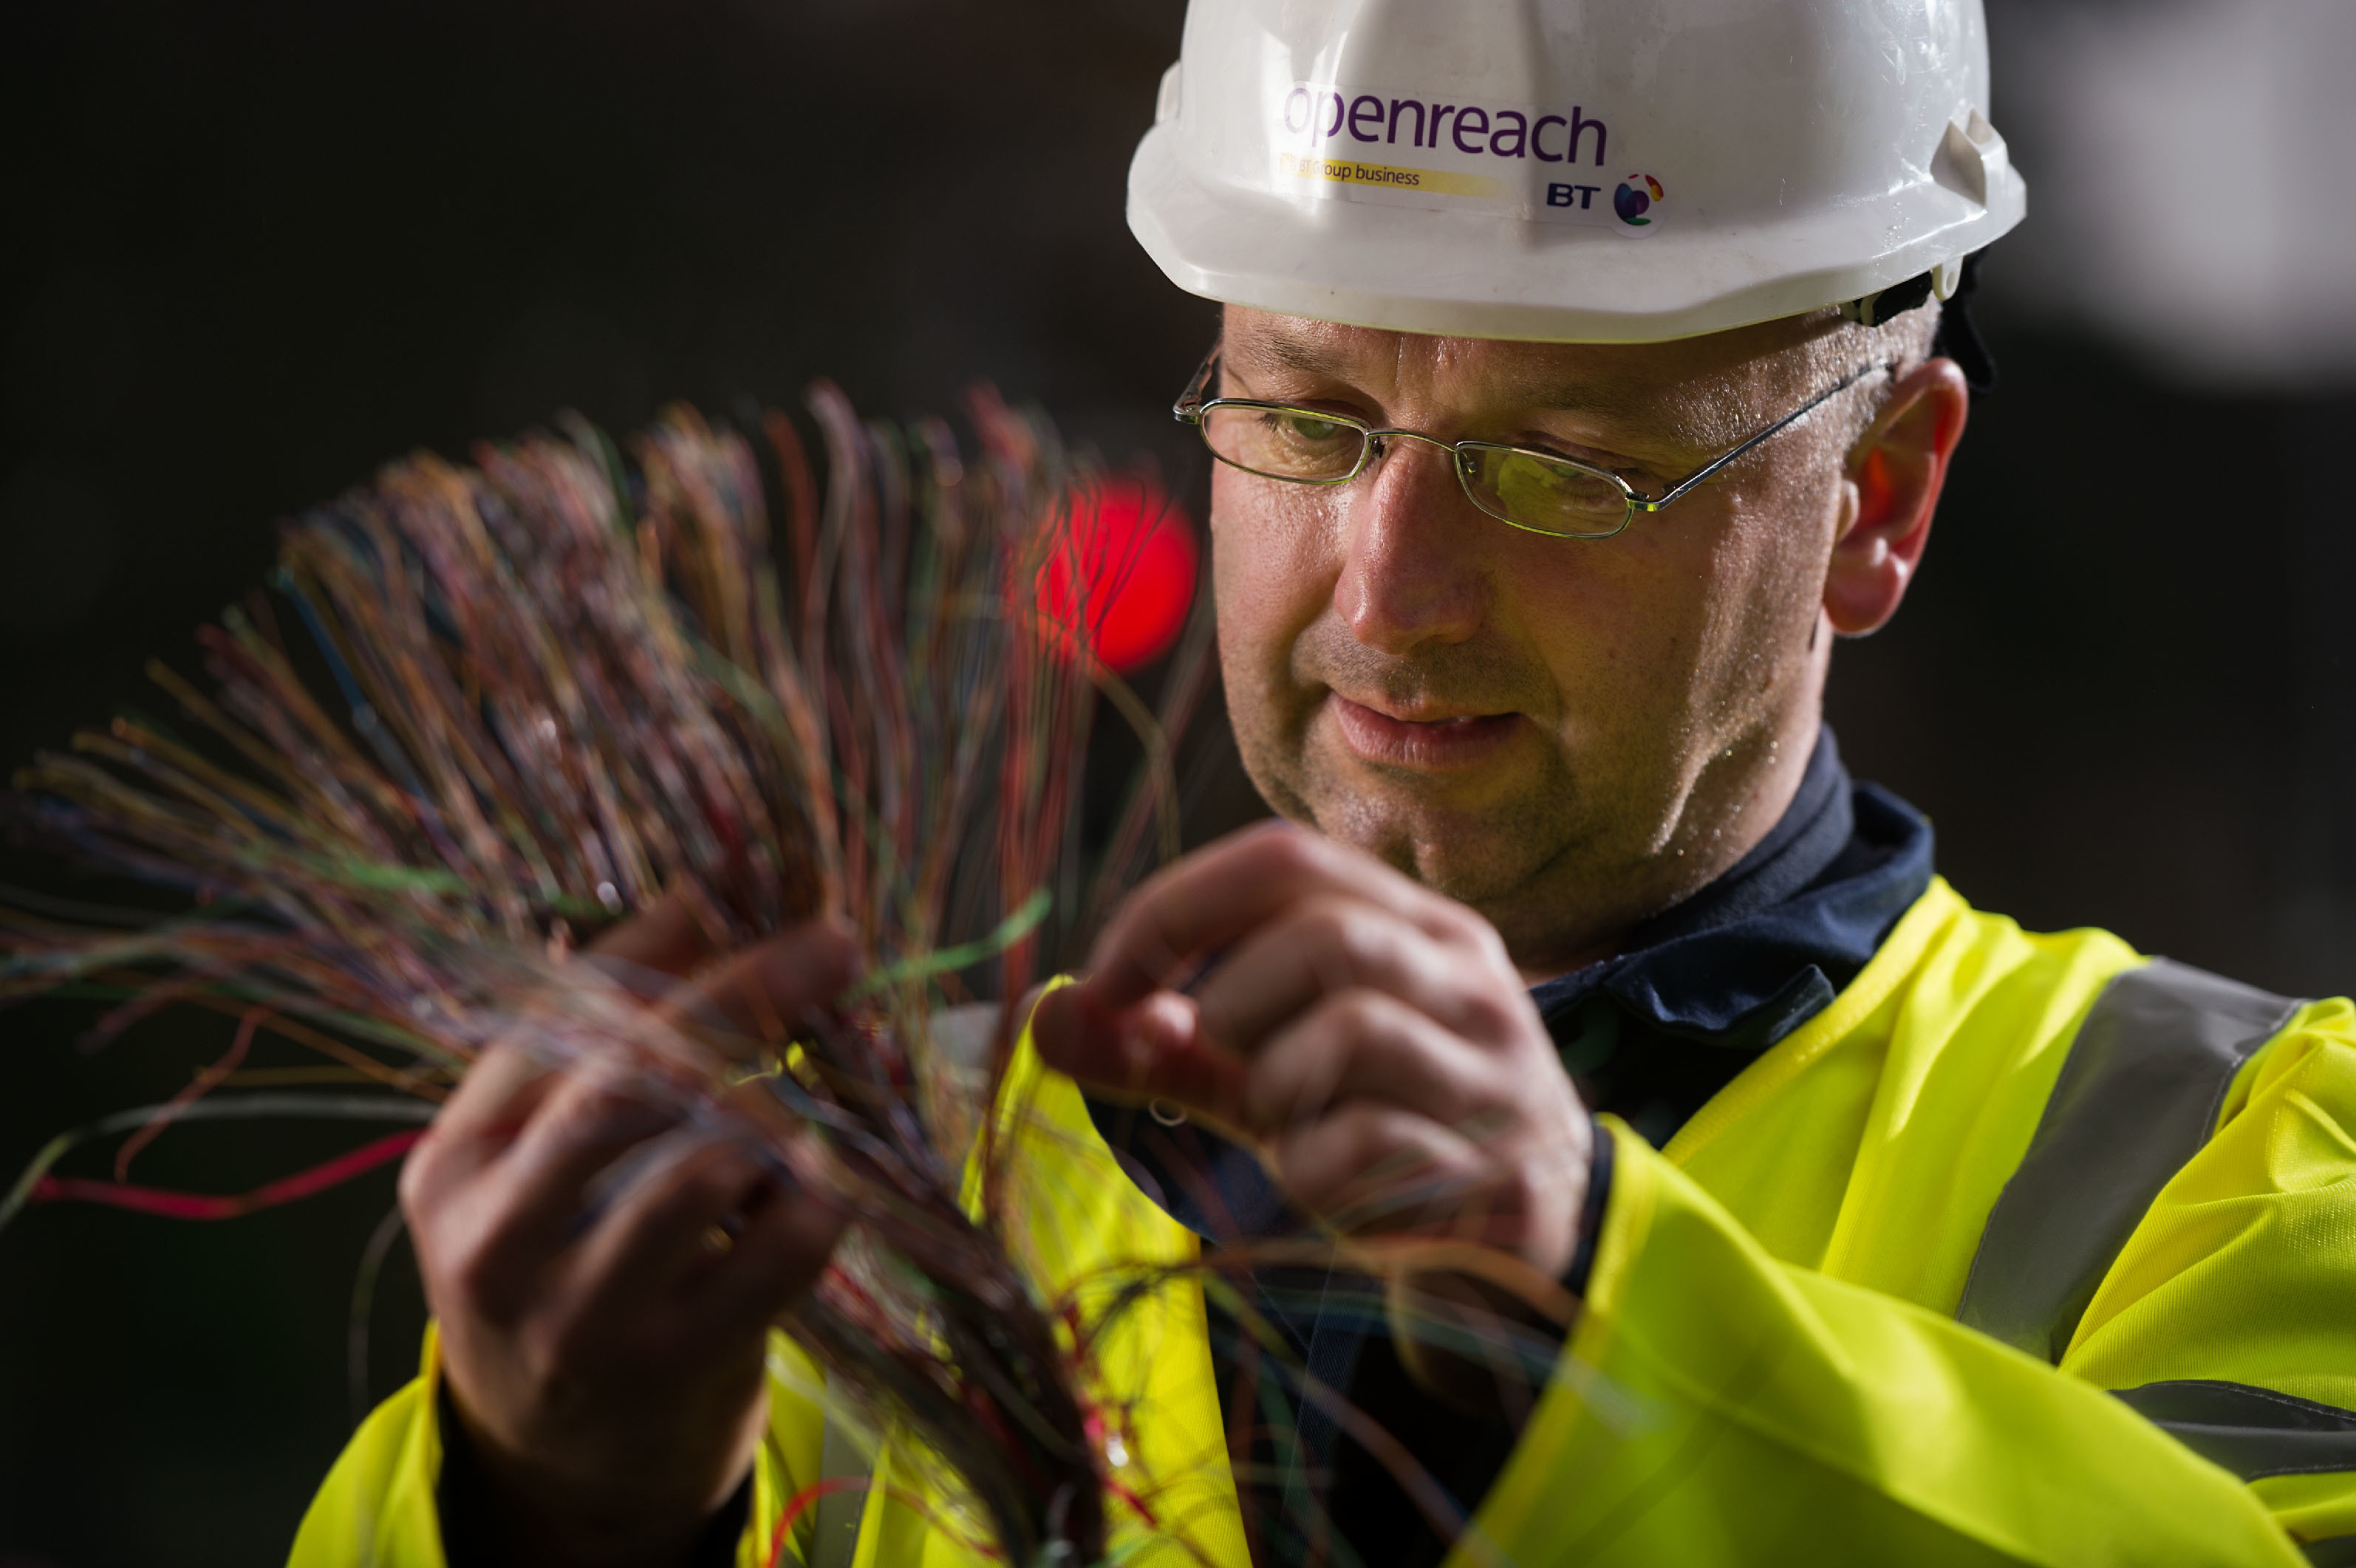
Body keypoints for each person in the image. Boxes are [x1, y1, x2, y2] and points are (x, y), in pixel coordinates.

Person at [295, 1, 2356, 1563]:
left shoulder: (2242, 1163)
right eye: (1305, 413)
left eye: (1561, 459)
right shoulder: (829, 1229)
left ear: (1880, 491)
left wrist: (1586, 1312)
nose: (1392, 583)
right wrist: (546, 1497)